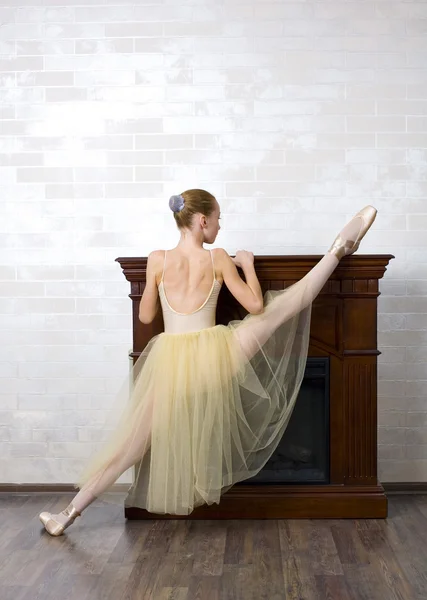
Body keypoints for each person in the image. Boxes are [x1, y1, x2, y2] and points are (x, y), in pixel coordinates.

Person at [40, 189, 377, 536]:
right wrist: (247, 266)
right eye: (217, 219)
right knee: (279, 311)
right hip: (215, 356)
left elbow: (145, 317)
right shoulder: (218, 258)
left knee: (131, 448)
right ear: (202, 221)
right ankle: (337, 250)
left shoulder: (157, 259)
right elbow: (256, 306)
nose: (219, 225)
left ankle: (67, 514)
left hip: (169, 362)